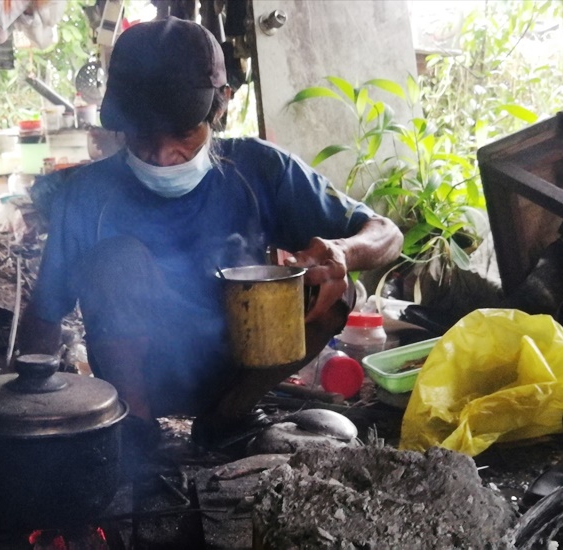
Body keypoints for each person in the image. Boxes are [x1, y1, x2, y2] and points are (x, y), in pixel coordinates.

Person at [20, 17, 403, 452]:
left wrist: (343, 251)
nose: (162, 156)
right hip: (139, 376)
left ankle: (228, 418)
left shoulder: (260, 168)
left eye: (182, 133)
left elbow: (386, 233)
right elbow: (45, 313)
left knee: (335, 289)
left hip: (238, 366)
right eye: (142, 135)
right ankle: (137, 431)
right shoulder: (87, 194)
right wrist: (29, 412)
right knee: (116, 262)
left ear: (220, 106)